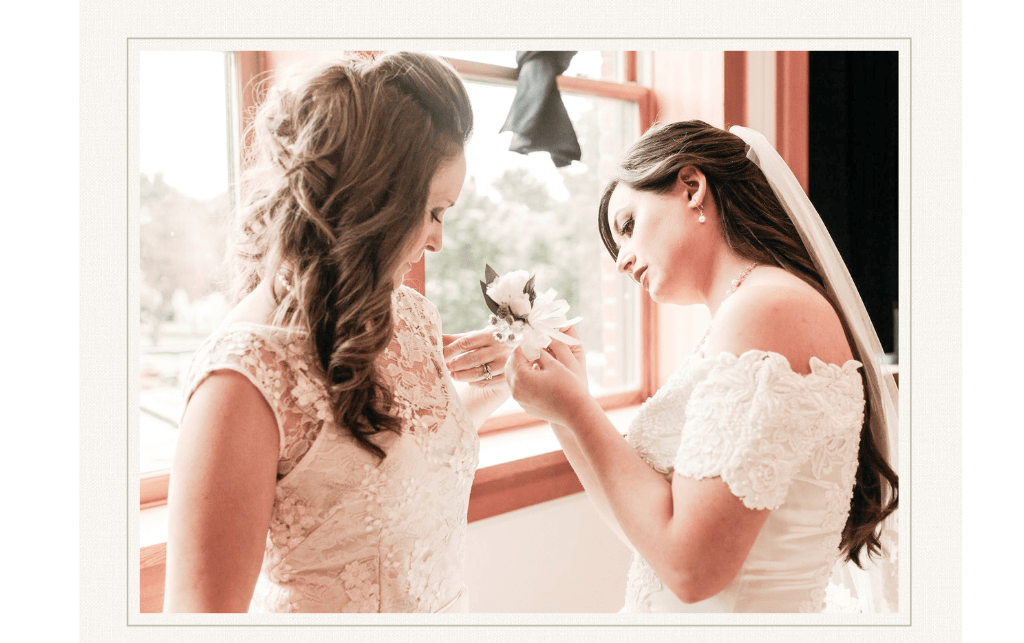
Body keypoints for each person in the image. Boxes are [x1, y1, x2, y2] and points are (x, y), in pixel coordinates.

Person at [162, 52, 512, 613]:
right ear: (375, 202)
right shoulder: (241, 380)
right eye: (434, 212)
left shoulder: (411, 315)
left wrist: (495, 384)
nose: (438, 241)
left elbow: (392, 460)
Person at [505, 120, 899, 613]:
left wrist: (576, 409)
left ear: (692, 188)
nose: (622, 261)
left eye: (627, 226)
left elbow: (691, 572)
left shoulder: (764, 312)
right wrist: (564, 409)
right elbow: (646, 537)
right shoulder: (752, 311)